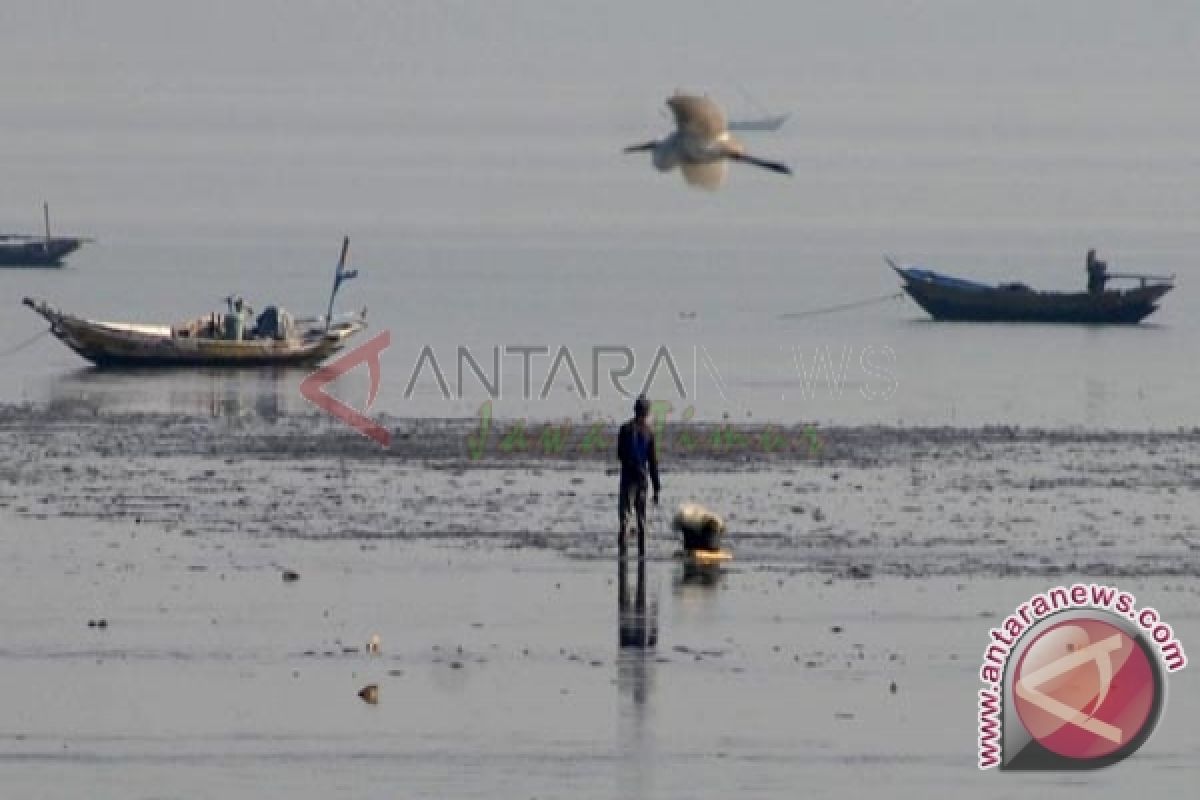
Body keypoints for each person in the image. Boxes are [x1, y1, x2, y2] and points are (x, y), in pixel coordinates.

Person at [616, 394, 661, 558]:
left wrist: (629, 464)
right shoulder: (649, 433)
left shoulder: (625, 429)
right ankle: (642, 554)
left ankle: (622, 554)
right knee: (641, 519)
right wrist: (657, 487)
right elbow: (653, 462)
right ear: (647, 412)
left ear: (635, 410)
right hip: (642, 478)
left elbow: (620, 454)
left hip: (628, 477)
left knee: (625, 517)